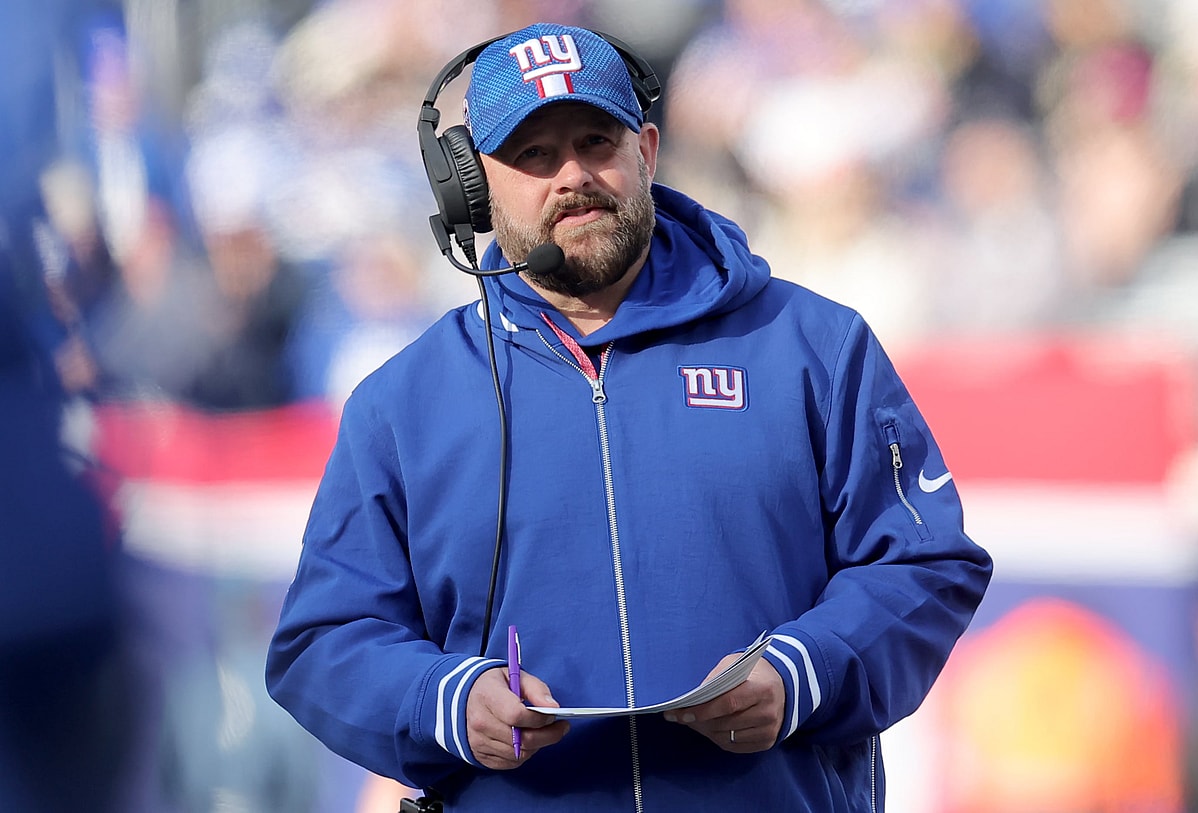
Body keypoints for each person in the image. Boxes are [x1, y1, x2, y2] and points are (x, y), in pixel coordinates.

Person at [266, 22, 992, 812]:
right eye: (534, 155)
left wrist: (801, 671)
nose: (571, 175)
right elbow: (322, 641)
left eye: (593, 140)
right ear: (474, 184)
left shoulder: (814, 346)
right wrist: (443, 699)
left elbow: (927, 563)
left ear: (646, 149)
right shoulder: (402, 405)